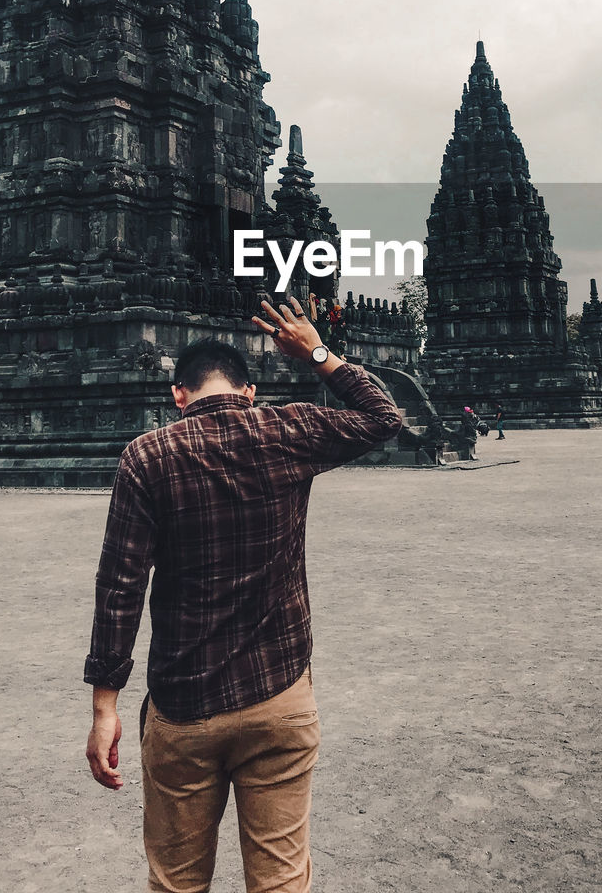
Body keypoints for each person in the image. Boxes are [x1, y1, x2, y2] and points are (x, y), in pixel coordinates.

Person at [83, 296, 402, 892]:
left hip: (184, 705)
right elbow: (385, 417)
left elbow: (120, 587)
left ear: (178, 395)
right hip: (279, 696)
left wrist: (106, 708)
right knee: (281, 881)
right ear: (250, 390)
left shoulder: (146, 457)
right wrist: (317, 352)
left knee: (178, 882)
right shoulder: (288, 429)